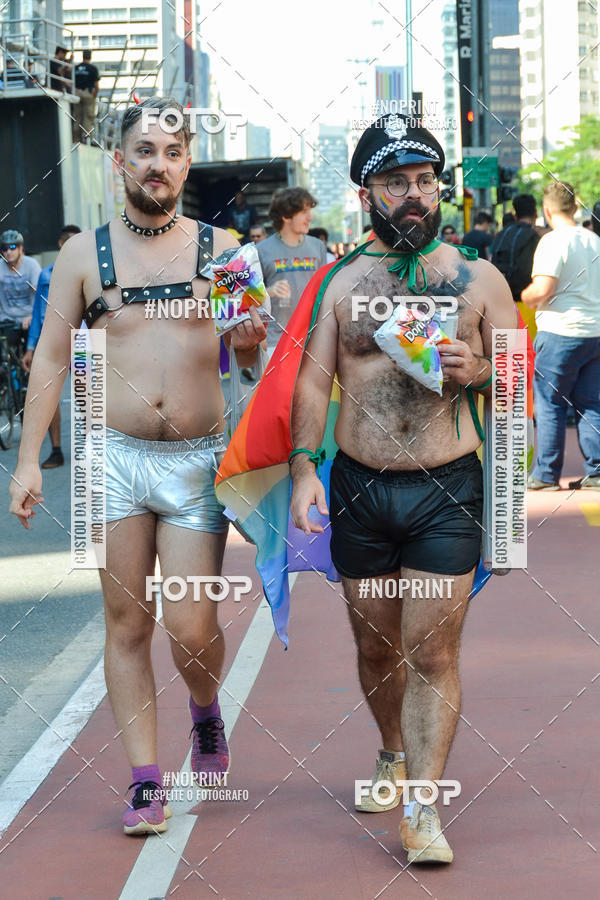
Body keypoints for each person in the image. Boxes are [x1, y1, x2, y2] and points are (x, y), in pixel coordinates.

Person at [9, 97, 265, 836]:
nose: (159, 164)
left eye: (173, 153)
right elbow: (51, 360)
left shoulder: (225, 248)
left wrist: (246, 338)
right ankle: (145, 782)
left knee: (191, 626)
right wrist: (28, 461)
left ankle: (205, 712)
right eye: (145, 151)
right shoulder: (84, 257)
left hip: (196, 464)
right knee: (124, 624)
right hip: (109, 462)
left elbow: (247, 356)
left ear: (188, 164)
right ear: (120, 161)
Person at [289, 113, 517, 864]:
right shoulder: (340, 282)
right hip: (358, 485)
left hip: (446, 489)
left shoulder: (481, 279)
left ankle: (423, 808)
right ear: (366, 194)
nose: (414, 196)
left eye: (424, 180)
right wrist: (300, 469)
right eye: (395, 183)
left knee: (434, 652)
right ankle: (391, 750)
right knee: (375, 647)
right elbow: (314, 379)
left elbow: (517, 386)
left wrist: (479, 370)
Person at [522, 181, 600, 490]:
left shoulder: (553, 242)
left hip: (560, 332)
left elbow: (542, 290)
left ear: (547, 209)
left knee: (551, 402)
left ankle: (546, 475)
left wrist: (524, 296)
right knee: (592, 403)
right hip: (595, 333)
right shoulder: (594, 239)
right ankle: (596, 471)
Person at [21, 225, 81, 469]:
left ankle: (91, 449)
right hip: (53, 341)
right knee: (49, 397)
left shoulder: (93, 273)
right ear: (60, 245)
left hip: (84, 342)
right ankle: (56, 450)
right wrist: (30, 347)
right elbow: (37, 314)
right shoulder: (46, 275)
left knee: (88, 397)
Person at [257, 187, 326, 351]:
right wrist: (268, 291)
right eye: (304, 212)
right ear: (286, 216)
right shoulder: (261, 251)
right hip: (275, 342)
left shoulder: (318, 247)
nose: (310, 217)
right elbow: (247, 299)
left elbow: (326, 292)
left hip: (312, 341)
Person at [490, 194, 540, 339]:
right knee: (529, 356)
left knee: (508, 357)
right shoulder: (536, 235)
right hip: (528, 305)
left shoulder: (502, 235)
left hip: (501, 307)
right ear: (535, 213)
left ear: (515, 215)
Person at [0, 229, 41, 354]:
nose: (8, 252)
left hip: (30, 318)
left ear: (20, 249)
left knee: (37, 353)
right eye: (4, 248)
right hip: (7, 319)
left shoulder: (31, 265)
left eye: (12, 247)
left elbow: (41, 294)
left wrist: (32, 316)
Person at [73, 50, 99, 143]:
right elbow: (96, 85)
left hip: (77, 93)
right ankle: (86, 140)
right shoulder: (93, 68)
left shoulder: (76, 68)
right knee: (88, 117)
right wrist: (94, 95)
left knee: (77, 117)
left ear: (82, 56)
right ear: (90, 57)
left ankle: (75, 139)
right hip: (88, 93)